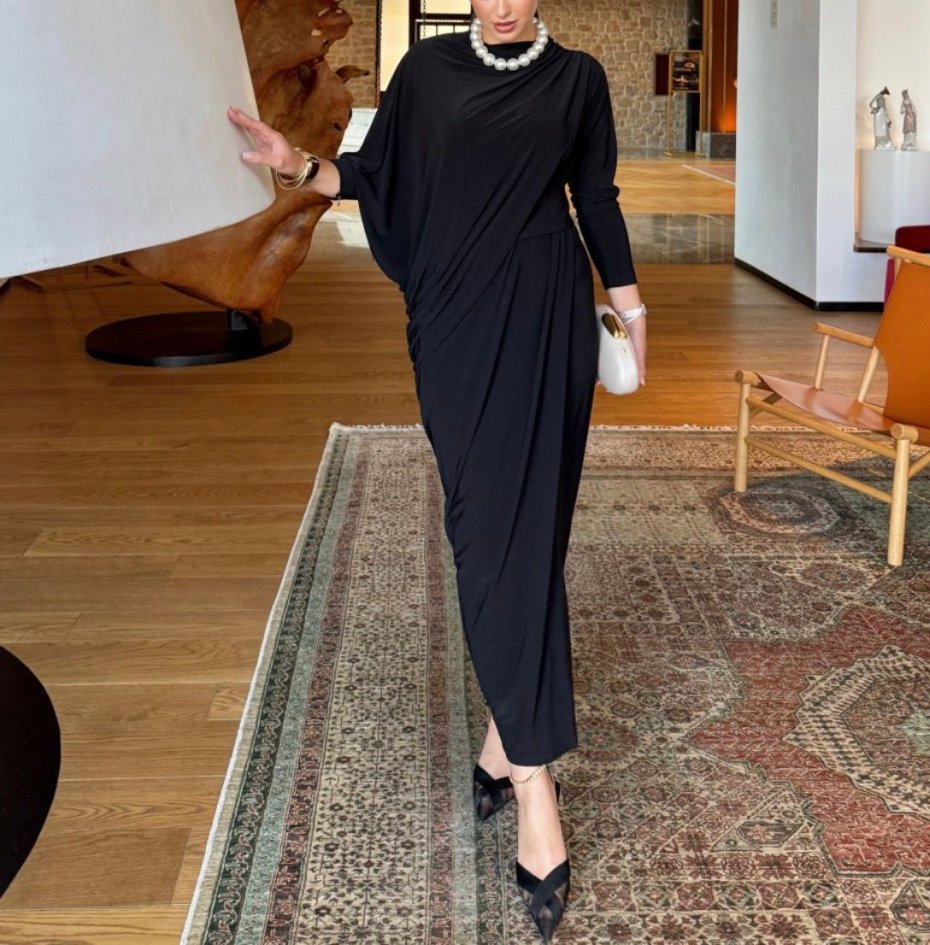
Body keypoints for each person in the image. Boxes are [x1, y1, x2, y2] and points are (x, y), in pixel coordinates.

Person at [227, 1, 646, 939]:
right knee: (486, 532)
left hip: (548, 311)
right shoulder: (426, 73)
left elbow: (597, 197)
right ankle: (531, 770)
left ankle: (515, 756)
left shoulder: (578, 79)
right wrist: (296, 165)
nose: (499, 4)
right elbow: (376, 179)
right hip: (457, 317)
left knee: (534, 530)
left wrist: (631, 312)